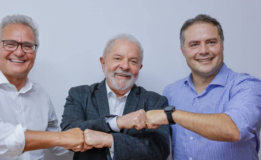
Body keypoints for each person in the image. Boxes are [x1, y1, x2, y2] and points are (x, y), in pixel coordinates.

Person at [0, 14, 84, 160]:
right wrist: (63, 138)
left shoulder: (41, 94)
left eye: (27, 46)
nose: (19, 52)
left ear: (35, 52)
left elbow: (58, 146)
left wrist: (103, 137)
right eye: (10, 44)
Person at [145, 14, 261, 160]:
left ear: (222, 45)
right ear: (183, 51)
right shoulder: (171, 92)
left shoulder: (247, 86)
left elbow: (234, 129)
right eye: (194, 44)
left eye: (211, 42)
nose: (204, 51)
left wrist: (171, 115)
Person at [61, 34, 170, 160]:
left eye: (133, 61)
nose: (125, 66)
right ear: (103, 63)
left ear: (139, 68)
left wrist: (110, 140)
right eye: (118, 58)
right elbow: (67, 137)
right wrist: (117, 122)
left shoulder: (155, 102)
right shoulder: (80, 94)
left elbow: (159, 150)